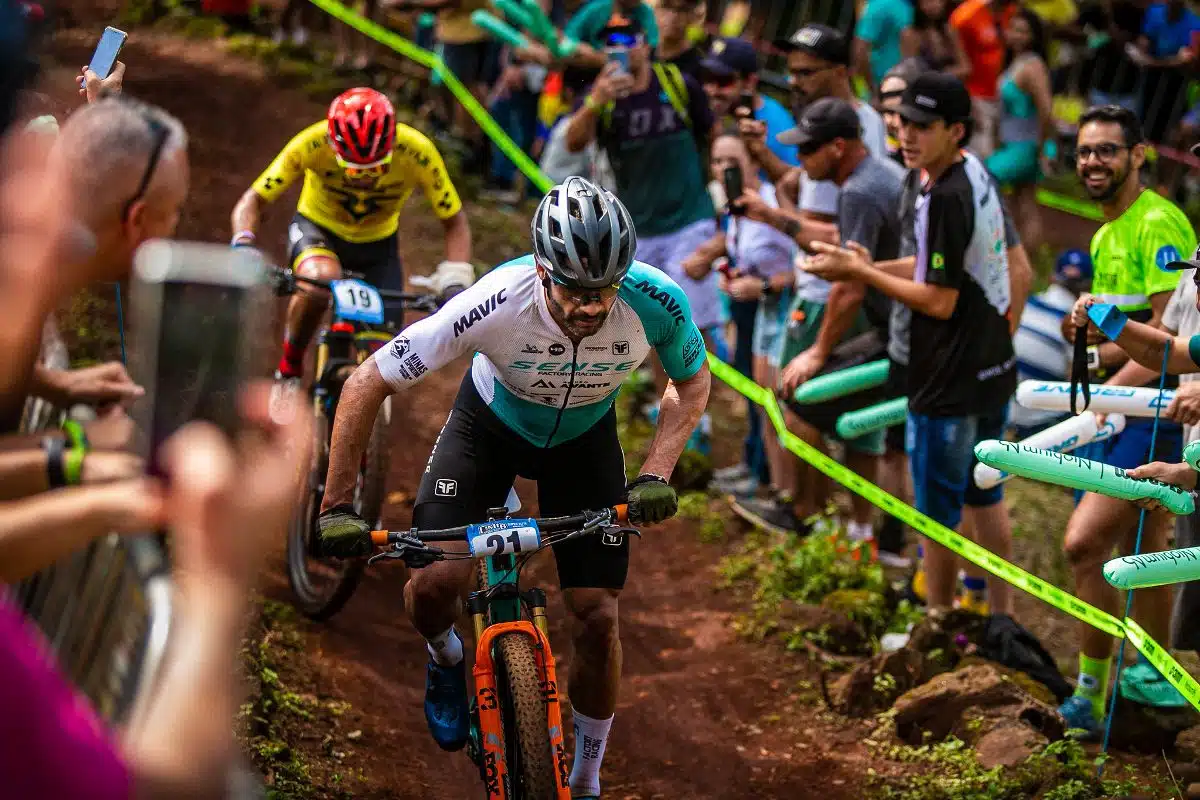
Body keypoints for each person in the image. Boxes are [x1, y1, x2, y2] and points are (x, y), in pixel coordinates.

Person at [315, 177, 711, 800]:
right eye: (576, 292)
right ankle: (447, 659)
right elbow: (368, 381)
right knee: (436, 585)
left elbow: (691, 383)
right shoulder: (495, 300)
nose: (592, 307)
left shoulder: (656, 301)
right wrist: (336, 504)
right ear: (542, 271)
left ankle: (585, 779)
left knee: (598, 616)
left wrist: (658, 471)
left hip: (584, 444)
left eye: (605, 290)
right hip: (487, 432)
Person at [803, 73, 1017, 613]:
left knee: (937, 512)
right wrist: (861, 264)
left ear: (956, 130)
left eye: (924, 126)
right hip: (990, 364)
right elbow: (934, 268)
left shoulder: (944, 194)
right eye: (904, 124)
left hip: (948, 376)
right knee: (983, 495)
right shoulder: (967, 174)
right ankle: (1001, 615)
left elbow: (937, 298)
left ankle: (937, 619)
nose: (907, 135)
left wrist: (866, 276)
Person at [1054, 104, 1195, 736]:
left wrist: (1104, 397)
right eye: (1085, 150)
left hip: (1162, 417)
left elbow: (1170, 341)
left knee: (1111, 546)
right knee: (1128, 552)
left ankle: (1142, 690)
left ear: (1140, 155)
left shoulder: (1158, 223)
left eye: (1107, 150)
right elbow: (1141, 342)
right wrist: (1089, 342)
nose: (1092, 162)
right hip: (1127, 409)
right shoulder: (1106, 231)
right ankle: (1113, 689)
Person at [736, 98, 905, 553]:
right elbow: (846, 248)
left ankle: (810, 516)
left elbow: (849, 285)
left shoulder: (859, 191)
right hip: (895, 326)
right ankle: (852, 529)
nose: (802, 158)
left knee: (798, 403)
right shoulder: (877, 177)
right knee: (853, 426)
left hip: (897, 331)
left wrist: (817, 352)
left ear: (837, 146)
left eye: (808, 149)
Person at [231, 87, 474, 383]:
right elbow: (253, 200)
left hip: (377, 246)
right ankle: (290, 369)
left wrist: (456, 277)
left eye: (377, 168)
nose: (366, 179)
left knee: (386, 361)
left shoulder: (418, 152)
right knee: (319, 282)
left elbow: (454, 221)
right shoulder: (311, 143)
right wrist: (243, 242)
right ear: (334, 149)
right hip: (319, 230)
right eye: (354, 171)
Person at [563, 22, 721, 340]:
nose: (618, 47)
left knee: (693, 326)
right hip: (637, 230)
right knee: (649, 326)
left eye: (627, 40)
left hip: (689, 221)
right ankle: (665, 391)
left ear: (646, 45)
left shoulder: (678, 84)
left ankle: (703, 391)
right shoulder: (600, 94)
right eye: (609, 42)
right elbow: (573, 142)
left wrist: (717, 193)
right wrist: (596, 101)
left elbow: (711, 131)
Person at [695, 134, 796, 499]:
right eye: (718, 162)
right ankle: (757, 469)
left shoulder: (771, 203)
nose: (724, 170)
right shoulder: (733, 206)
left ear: (753, 162)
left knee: (772, 401)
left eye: (732, 162)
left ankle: (776, 483)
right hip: (751, 309)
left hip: (780, 311)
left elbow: (804, 265)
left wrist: (765, 285)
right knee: (755, 397)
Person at [988, 7, 1055, 251]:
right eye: (1013, 29)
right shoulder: (1015, 62)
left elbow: (1046, 110)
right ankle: (1020, 258)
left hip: (1026, 146)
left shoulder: (1033, 66)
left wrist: (1042, 147)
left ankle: (1012, 253)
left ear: (1034, 36)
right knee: (1024, 200)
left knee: (985, 177)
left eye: (1023, 31)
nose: (1016, 35)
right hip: (1015, 144)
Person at [1010, 248, 1093, 437]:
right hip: (1045, 421)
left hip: (1017, 414)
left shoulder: (1026, 304)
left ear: (1052, 278)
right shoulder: (1081, 323)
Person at [699, 36, 799, 172]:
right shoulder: (721, 112)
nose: (711, 90)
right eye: (707, 78)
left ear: (749, 82)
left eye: (723, 81)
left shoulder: (776, 126)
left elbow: (793, 182)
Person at [948, 0, 1018, 158]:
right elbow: (958, 63)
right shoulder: (965, 16)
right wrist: (966, 99)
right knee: (981, 152)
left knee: (999, 152)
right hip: (977, 96)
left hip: (1002, 93)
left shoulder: (1011, 11)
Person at [1128, 0, 1200, 144]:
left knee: (1173, 134)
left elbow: (1187, 60)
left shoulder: (1194, 23)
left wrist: (1151, 62)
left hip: (1177, 86)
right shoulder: (1155, 11)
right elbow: (1145, 40)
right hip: (1150, 81)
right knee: (1141, 125)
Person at [854, 0, 914, 97]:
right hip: (884, 88)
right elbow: (860, 50)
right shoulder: (888, 6)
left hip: (887, 87)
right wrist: (872, 89)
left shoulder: (876, 5)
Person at [900, 0, 970, 80]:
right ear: (918, 4)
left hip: (950, 88)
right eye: (928, 1)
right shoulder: (911, 34)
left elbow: (966, 68)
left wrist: (940, 75)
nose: (935, 5)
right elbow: (910, 72)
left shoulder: (949, 30)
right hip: (923, 90)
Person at [654, 0, 706, 78]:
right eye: (666, 7)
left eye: (682, 9)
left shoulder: (699, 65)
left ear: (693, 16)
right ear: (655, 10)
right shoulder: (643, 55)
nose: (673, 17)